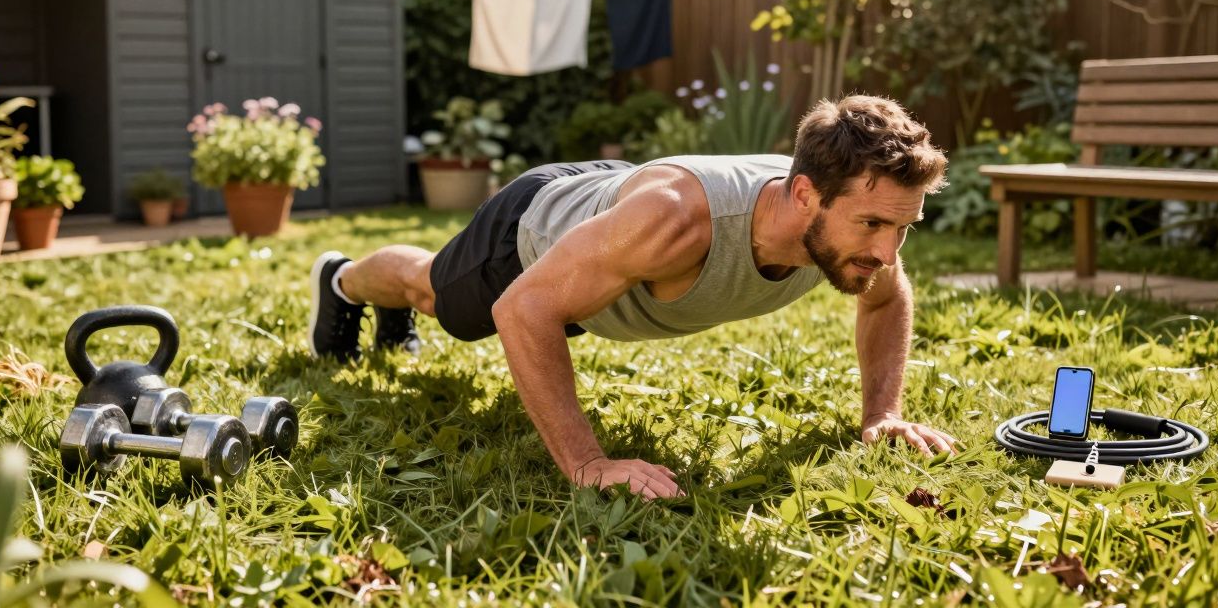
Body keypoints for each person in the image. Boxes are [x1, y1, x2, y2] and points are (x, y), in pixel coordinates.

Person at [308, 94, 957, 500]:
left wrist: (882, 414)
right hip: (532, 230)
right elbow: (524, 309)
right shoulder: (679, 224)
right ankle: (341, 280)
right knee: (432, 294)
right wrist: (587, 462)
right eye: (873, 225)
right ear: (806, 196)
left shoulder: (849, 226)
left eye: (904, 227)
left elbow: (886, 298)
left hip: (614, 216)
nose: (886, 252)